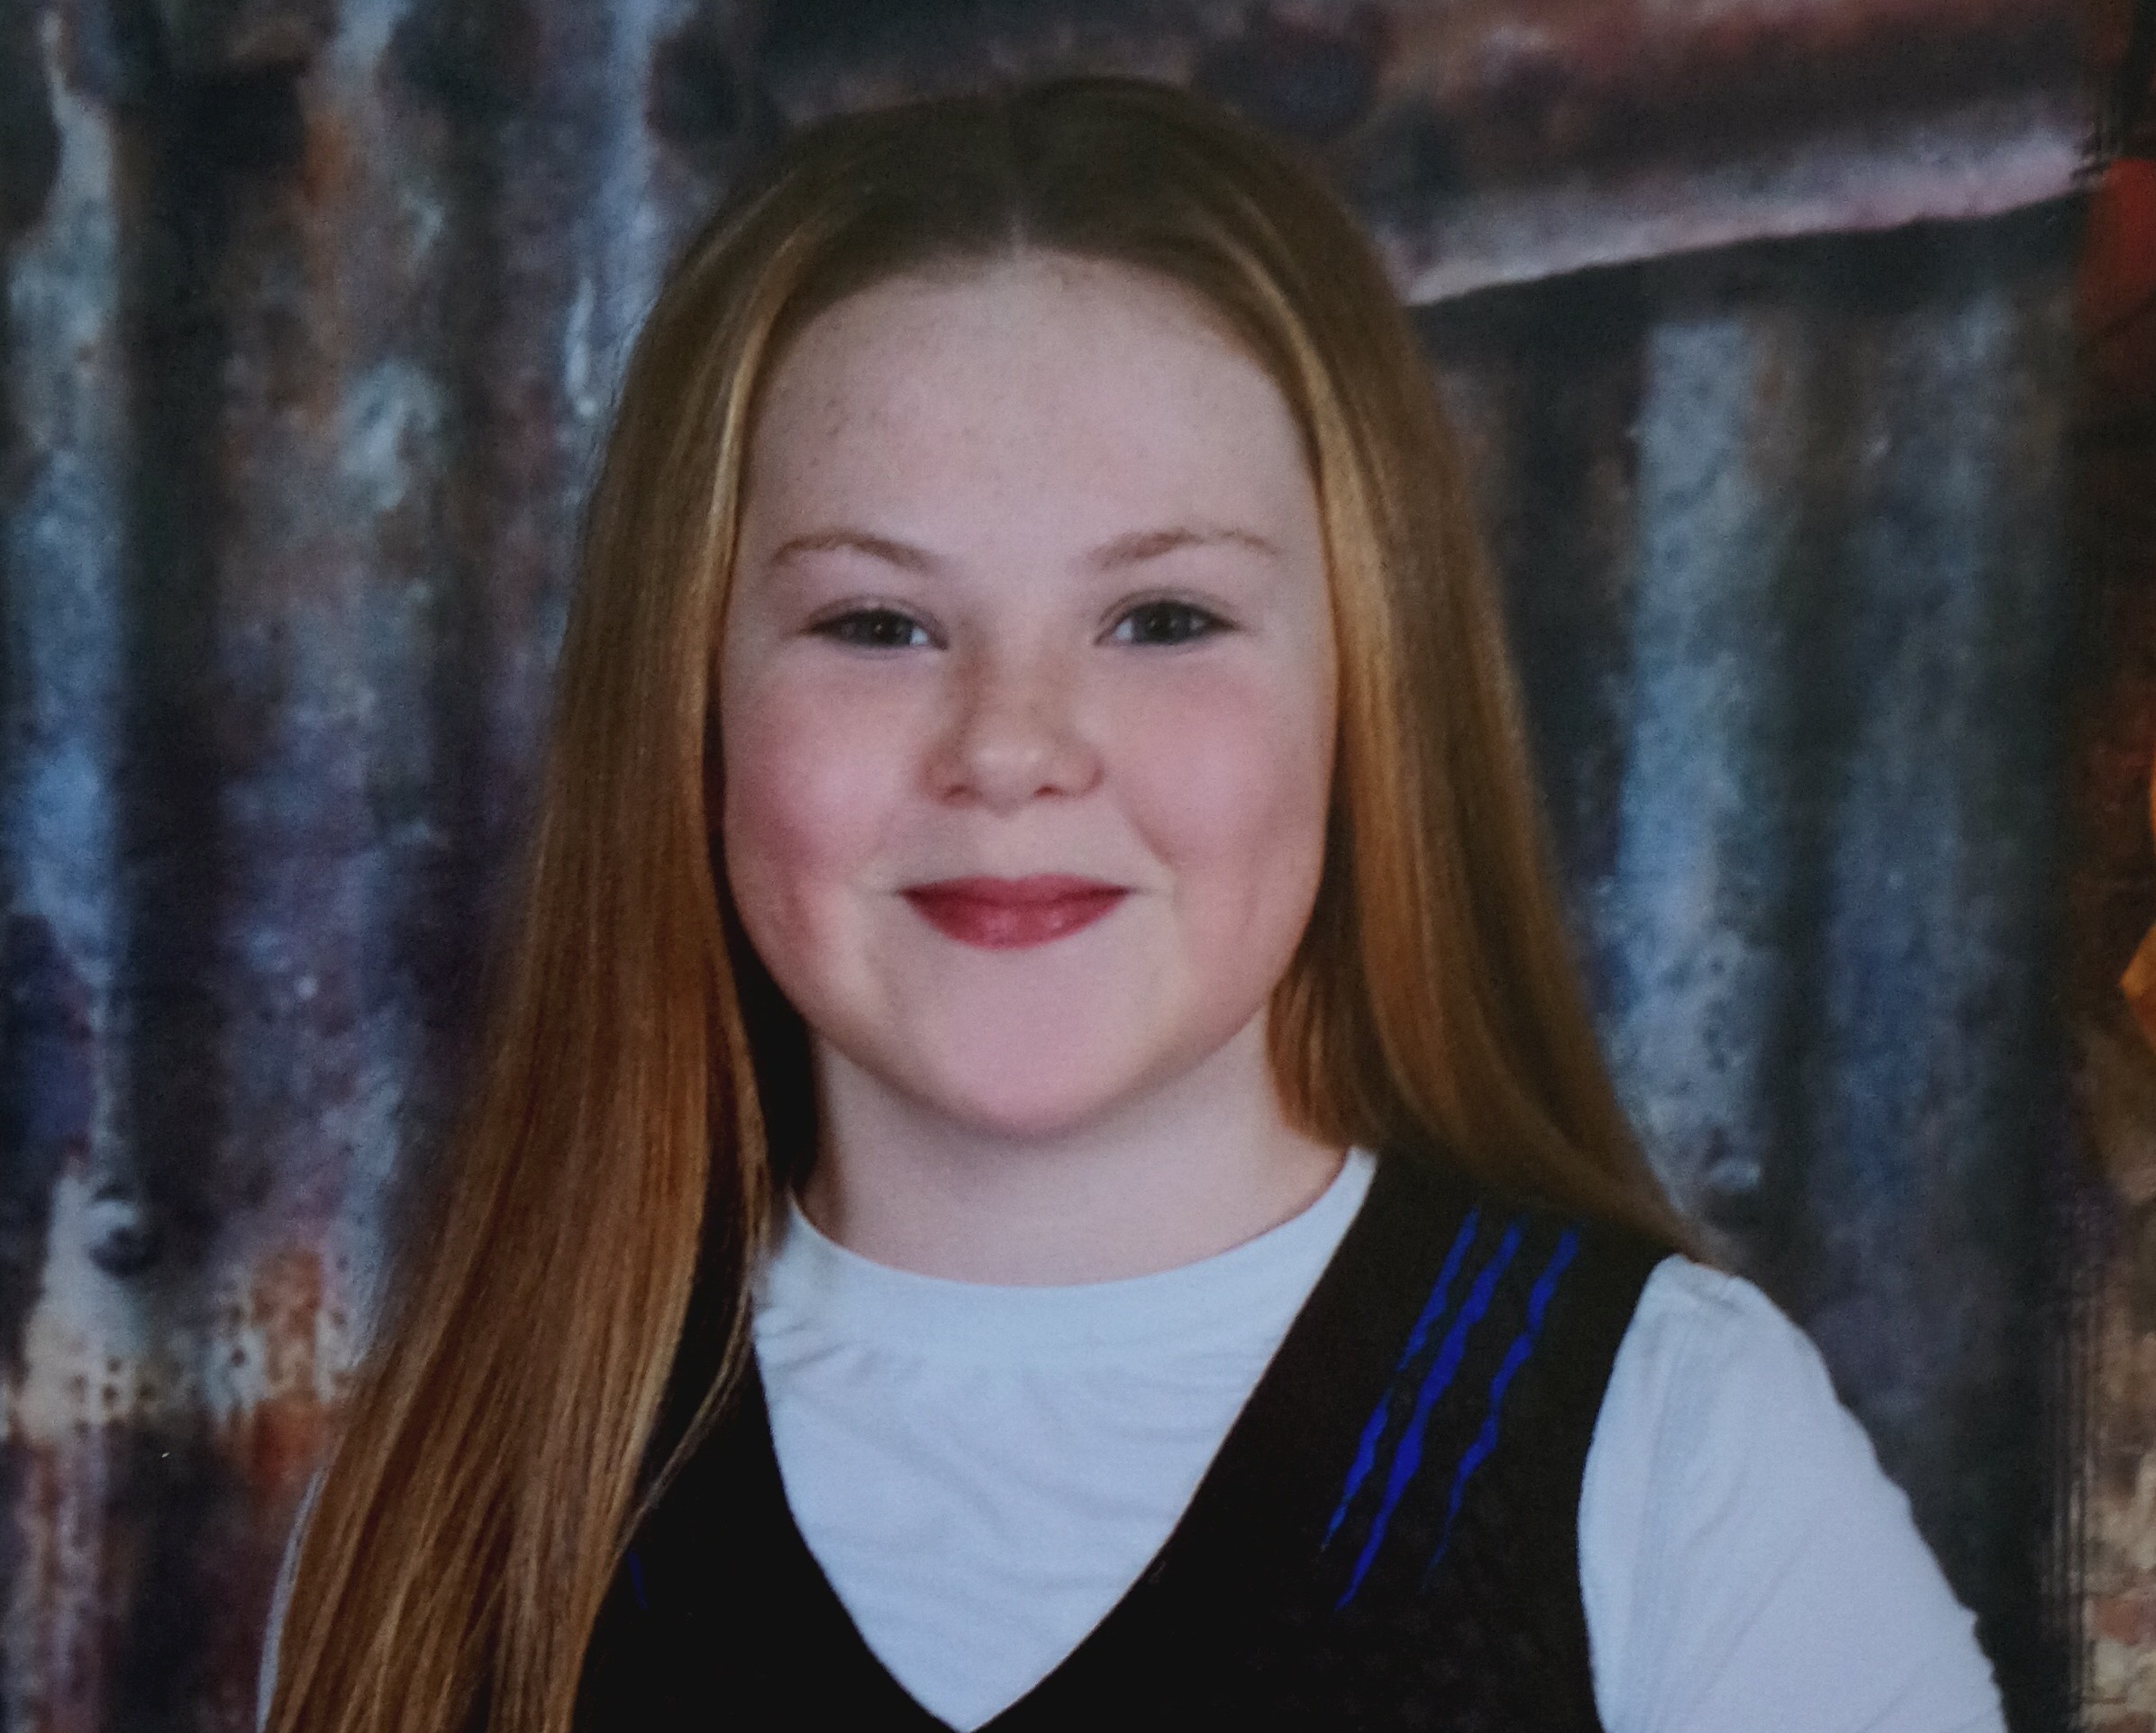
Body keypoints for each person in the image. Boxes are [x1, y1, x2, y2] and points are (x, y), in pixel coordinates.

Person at [258, 76, 2005, 1733]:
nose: (1011, 747)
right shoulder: (458, 1502)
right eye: (877, 623)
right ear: (691, 705)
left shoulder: (1675, 1447)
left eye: (1163, 619)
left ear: (1366, 691)